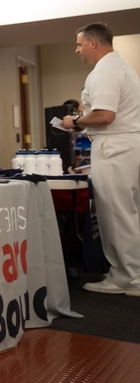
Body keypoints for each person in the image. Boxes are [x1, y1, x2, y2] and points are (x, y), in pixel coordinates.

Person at [60, 22, 140, 295]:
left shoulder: (106, 70)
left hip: (114, 147)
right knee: (131, 214)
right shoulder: (122, 67)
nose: (77, 50)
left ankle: (125, 278)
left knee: (115, 215)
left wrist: (75, 121)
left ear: (94, 43)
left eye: (80, 44)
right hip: (128, 144)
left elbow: (105, 116)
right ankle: (134, 274)